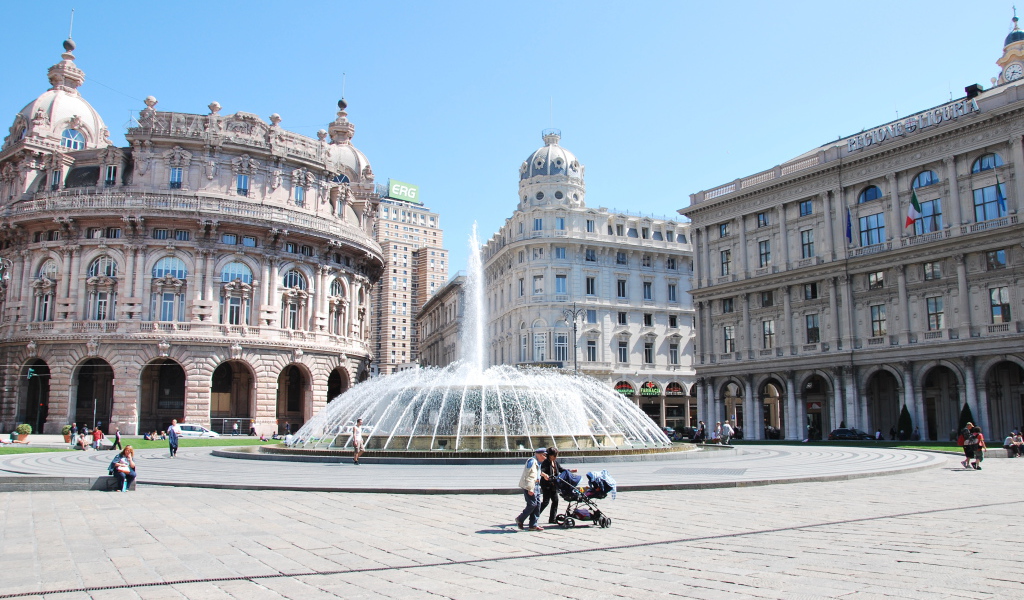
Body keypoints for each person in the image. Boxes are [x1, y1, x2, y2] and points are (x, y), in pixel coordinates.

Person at [515, 448, 546, 531]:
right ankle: (520, 519)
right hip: (530, 485)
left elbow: (536, 472)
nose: (545, 457)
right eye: (544, 455)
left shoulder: (537, 462)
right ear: (539, 455)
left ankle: (533, 525)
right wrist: (530, 489)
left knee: (538, 504)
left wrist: (543, 475)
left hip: (536, 485)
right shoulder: (532, 462)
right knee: (532, 504)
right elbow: (530, 476)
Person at [539, 446, 571, 524]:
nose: (556, 457)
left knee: (555, 501)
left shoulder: (555, 462)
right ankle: (535, 516)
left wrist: (570, 471)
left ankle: (552, 519)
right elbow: (541, 471)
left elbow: (560, 469)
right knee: (545, 502)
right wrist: (545, 475)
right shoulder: (546, 462)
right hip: (546, 484)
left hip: (553, 484)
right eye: (554, 455)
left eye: (556, 455)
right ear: (550, 455)